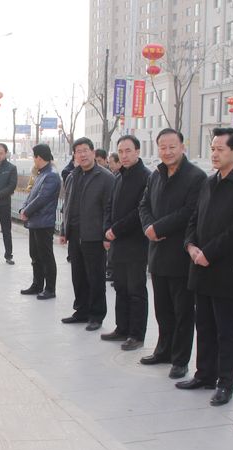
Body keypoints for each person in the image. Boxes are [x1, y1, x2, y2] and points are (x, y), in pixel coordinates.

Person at [179, 128, 233, 405]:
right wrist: (191, 245)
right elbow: (195, 218)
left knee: (226, 329)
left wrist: (208, 253)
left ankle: (226, 383)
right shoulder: (209, 181)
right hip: (199, 265)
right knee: (203, 324)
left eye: (220, 149)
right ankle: (205, 374)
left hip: (224, 269)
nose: (214, 154)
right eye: (212, 148)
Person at [138, 128, 206, 379]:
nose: (167, 152)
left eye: (172, 147)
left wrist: (159, 227)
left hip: (180, 254)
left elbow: (190, 211)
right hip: (157, 253)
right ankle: (163, 350)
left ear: (182, 147)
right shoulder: (156, 175)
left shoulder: (196, 177)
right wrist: (148, 227)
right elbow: (144, 204)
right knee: (163, 309)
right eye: (162, 147)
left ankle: (180, 359)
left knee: (183, 311)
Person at [101, 134, 151, 351]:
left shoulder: (146, 177)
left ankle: (136, 334)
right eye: (120, 151)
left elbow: (140, 212)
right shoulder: (119, 176)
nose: (124, 155)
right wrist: (107, 230)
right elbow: (109, 206)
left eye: (128, 151)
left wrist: (115, 230)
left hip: (135, 243)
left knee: (136, 290)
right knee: (120, 287)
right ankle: (122, 328)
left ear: (137, 151)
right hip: (117, 242)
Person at [60, 137, 115, 330]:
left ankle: (96, 315)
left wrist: (106, 235)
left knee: (95, 277)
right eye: (78, 151)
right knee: (78, 276)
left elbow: (109, 209)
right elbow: (67, 206)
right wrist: (64, 230)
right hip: (75, 234)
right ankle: (81, 311)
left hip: (95, 236)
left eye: (85, 150)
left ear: (93, 152)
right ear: (74, 155)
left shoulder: (106, 178)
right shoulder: (72, 176)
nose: (82, 155)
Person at [18, 143, 60, 299]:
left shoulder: (51, 175)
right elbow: (31, 195)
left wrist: (27, 211)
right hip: (35, 221)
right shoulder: (41, 173)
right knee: (35, 255)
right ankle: (37, 285)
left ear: (39, 157)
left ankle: (50, 289)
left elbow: (42, 198)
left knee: (46, 256)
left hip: (44, 222)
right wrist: (23, 209)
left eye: (34, 157)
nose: (33, 160)